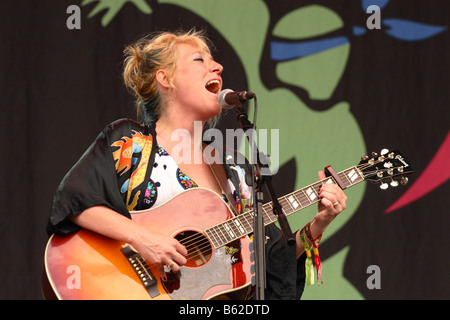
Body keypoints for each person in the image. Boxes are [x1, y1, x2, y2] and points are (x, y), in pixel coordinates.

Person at [46, 29, 347, 300]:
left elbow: (268, 264)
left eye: (214, 61)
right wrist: (143, 239)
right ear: (165, 79)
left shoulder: (236, 169)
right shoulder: (129, 142)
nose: (218, 67)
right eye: (200, 60)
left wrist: (319, 222)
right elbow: (73, 201)